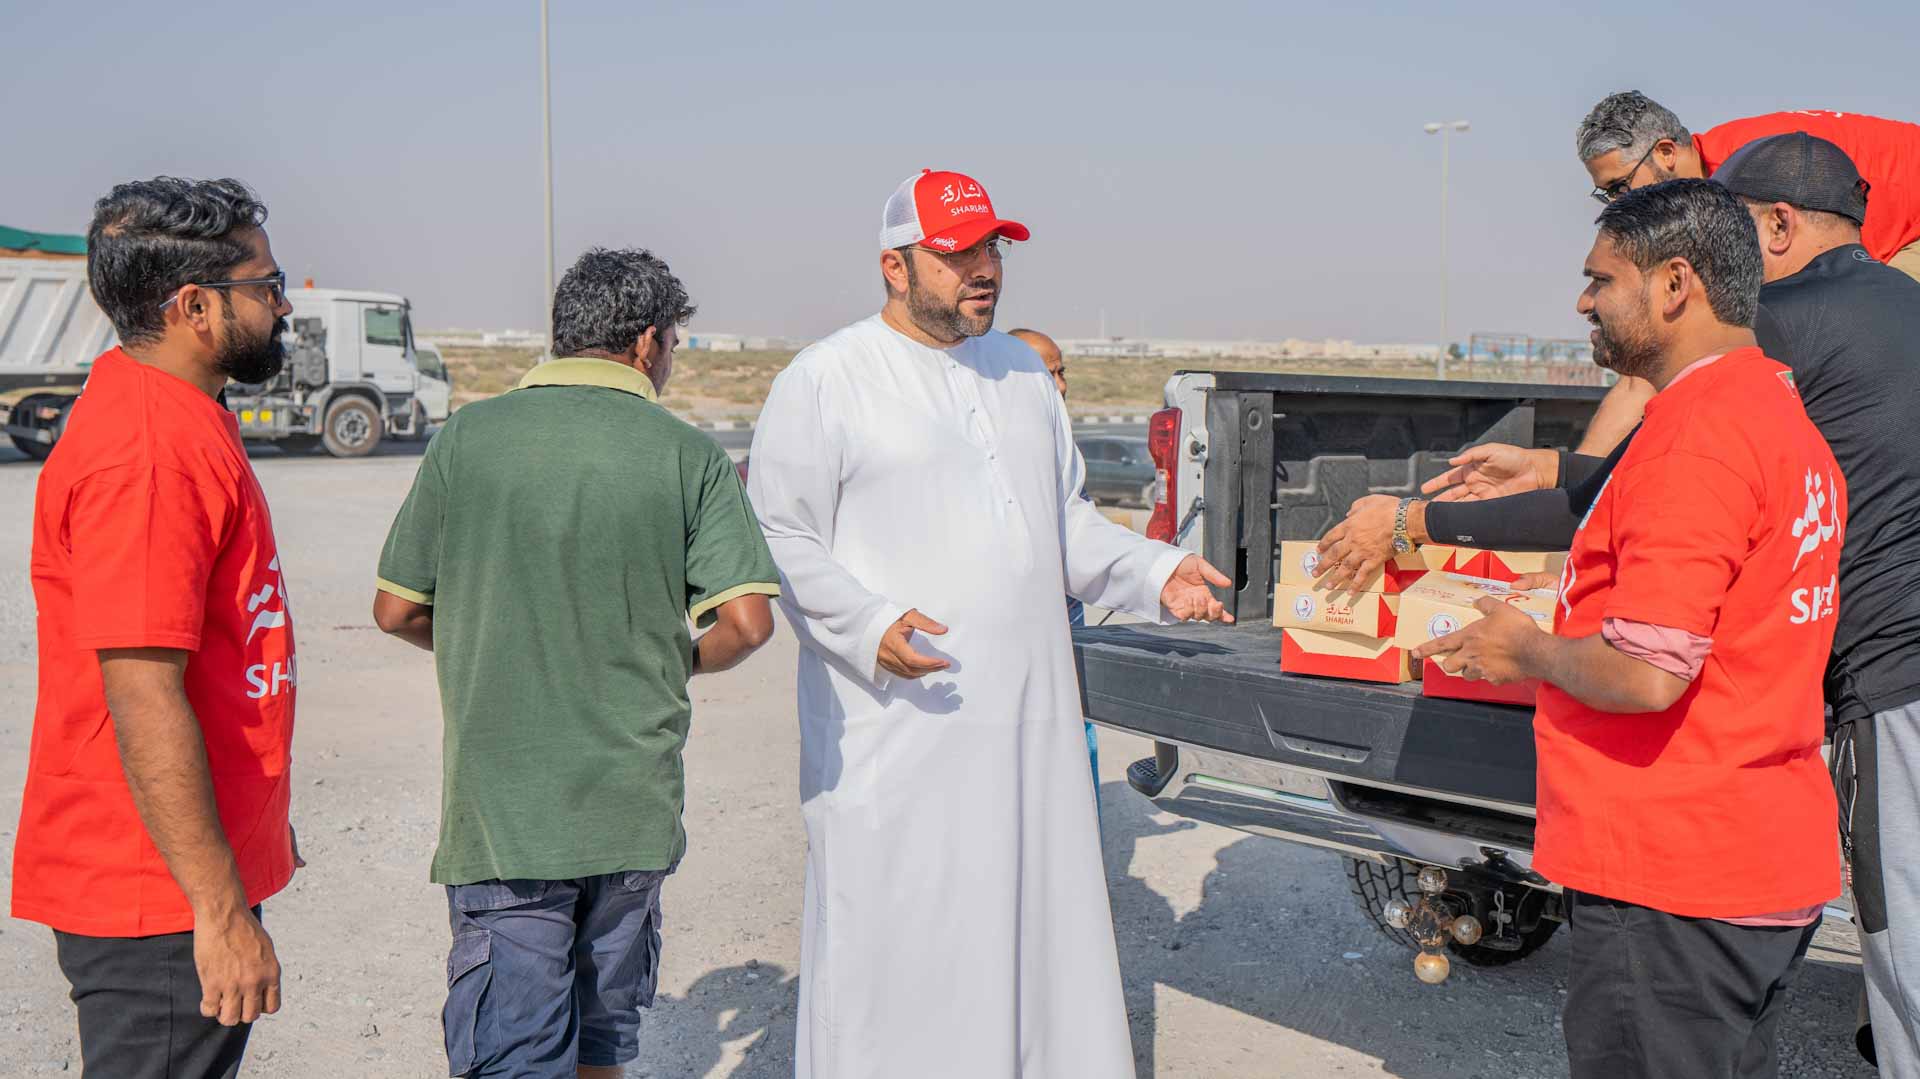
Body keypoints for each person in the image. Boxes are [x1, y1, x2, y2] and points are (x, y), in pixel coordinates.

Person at [746, 168, 1233, 1078]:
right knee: (901, 945)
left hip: (1024, 731)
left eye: (992, 248)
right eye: (957, 251)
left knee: (1027, 932)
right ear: (896, 266)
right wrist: (866, 621)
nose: (984, 268)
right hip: (899, 730)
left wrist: (1156, 570)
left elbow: (1064, 523)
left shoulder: (1017, 372)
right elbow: (780, 534)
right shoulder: (825, 379)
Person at [1414, 179, 1846, 1079]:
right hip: (1752, 856)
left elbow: (1652, 672)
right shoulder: (1773, 411)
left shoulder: (1700, 435)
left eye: (1600, 280)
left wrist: (1524, 647)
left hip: (1675, 874)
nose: (1583, 302)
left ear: (1674, 284)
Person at [372, 248, 780, 1078]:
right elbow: (747, 622)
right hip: (629, 808)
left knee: (516, 1054)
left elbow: (397, 608)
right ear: (646, 342)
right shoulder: (686, 453)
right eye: (673, 345)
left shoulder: (470, 439)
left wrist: (492, 642)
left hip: (505, 817)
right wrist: (673, 662)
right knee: (601, 1047)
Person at [13, 177, 300, 1077]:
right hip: (155, 896)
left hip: (181, 873)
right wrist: (217, 907)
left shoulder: (182, 413)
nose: (283, 302)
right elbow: (140, 690)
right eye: (268, 282)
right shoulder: (146, 452)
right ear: (196, 306)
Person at [1571, 91, 1920, 454]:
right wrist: (1583, 476)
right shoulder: (1711, 195)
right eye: (1605, 195)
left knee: (1874, 335)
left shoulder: (1745, 183)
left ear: (1665, 153)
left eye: (1619, 188)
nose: (1619, 204)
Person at [1009, 326, 1102, 802]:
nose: (1061, 385)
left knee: (1073, 740)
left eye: (1063, 372)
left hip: (1066, 617)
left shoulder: (1060, 443)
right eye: (1049, 374)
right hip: (1016, 627)